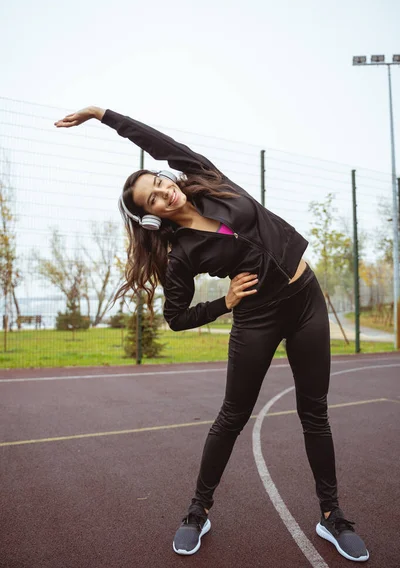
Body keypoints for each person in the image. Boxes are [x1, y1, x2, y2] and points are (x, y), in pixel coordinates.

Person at [54, 106, 369, 562]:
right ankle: (197, 510)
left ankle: (332, 515)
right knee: (231, 418)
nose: (163, 194)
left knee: (314, 413)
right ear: (149, 217)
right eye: (152, 200)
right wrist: (226, 303)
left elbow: (160, 142)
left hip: (305, 299)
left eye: (159, 183)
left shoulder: (206, 178)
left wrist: (102, 114)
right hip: (257, 317)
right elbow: (176, 316)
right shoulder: (179, 253)